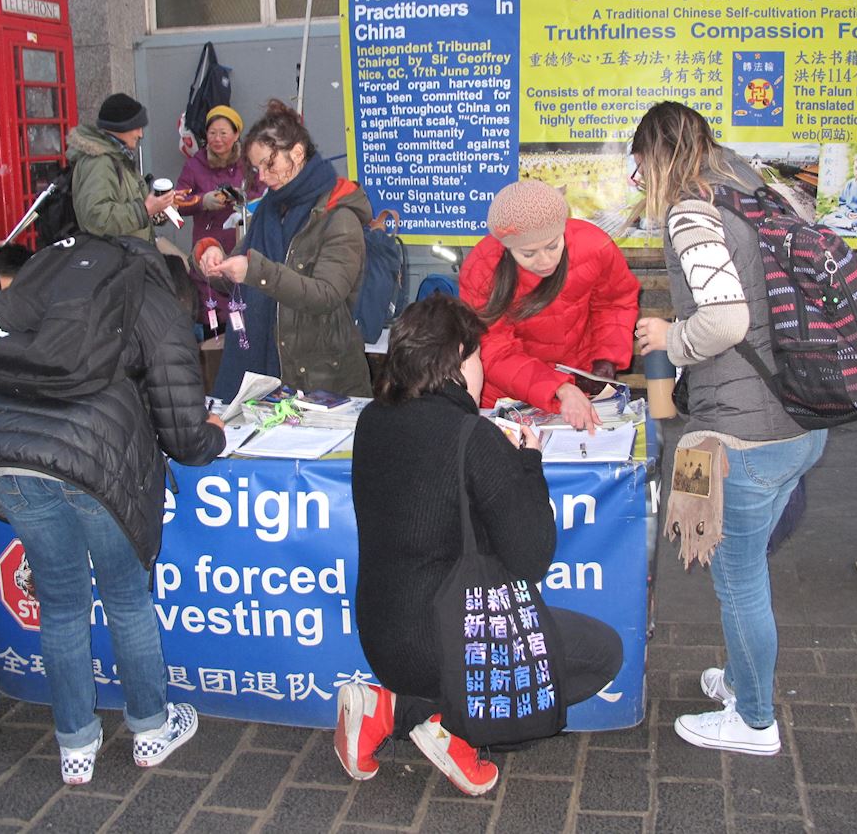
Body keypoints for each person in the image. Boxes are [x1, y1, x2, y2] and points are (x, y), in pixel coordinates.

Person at [337, 293, 622, 796]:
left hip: (380, 635)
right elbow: (531, 558)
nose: (483, 369)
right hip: (447, 640)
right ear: (458, 360)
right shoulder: (473, 436)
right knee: (601, 654)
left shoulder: (372, 421)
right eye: (478, 358)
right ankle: (448, 727)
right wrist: (527, 466)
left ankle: (388, 709)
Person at [0, 237, 227, 785]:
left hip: (8, 454)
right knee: (127, 598)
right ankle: (152, 733)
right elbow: (183, 433)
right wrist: (213, 439)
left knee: (61, 604)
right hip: (95, 466)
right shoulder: (151, 297)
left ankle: (76, 748)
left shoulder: (48, 275)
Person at [630, 101, 827, 757]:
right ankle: (745, 682)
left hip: (744, 437)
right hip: (798, 417)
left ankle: (755, 722)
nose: (643, 188)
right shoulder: (748, 186)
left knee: (740, 583)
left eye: (640, 172)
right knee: (744, 575)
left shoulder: (692, 212)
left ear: (657, 159)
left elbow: (723, 321)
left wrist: (670, 337)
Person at [196, 99, 372, 401]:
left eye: (269, 164)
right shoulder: (270, 209)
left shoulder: (339, 216)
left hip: (322, 382)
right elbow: (240, 273)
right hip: (271, 379)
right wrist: (212, 259)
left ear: (298, 153)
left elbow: (326, 295)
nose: (262, 177)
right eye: (256, 168)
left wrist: (256, 271)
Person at [458, 180, 639, 432]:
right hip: (507, 393)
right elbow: (494, 350)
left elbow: (615, 301)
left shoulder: (594, 246)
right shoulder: (482, 269)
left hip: (577, 381)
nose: (545, 260)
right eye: (528, 254)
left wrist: (606, 355)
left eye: (553, 246)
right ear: (507, 248)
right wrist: (557, 387)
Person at [175, 104, 261, 319]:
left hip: (243, 247)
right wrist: (202, 201)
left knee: (248, 311)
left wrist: (243, 199)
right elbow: (177, 201)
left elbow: (264, 193)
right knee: (215, 314)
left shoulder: (248, 163)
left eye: (223, 133)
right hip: (208, 251)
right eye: (212, 133)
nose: (217, 139)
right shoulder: (195, 165)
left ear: (236, 134)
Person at [69, 92, 177, 241]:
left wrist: (160, 207)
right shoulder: (99, 162)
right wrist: (145, 209)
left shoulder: (120, 158)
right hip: (117, 258)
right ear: (121, 127)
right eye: (137, 127)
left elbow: (134, 210)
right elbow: (96, 219)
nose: (141, 134)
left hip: (131, 255)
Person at [819, 150, 857, 237]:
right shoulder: (849, 184)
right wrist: (848, 213)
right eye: (856, 168)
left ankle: (854, 228)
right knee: (826, 220)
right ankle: (851, 225)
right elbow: (842, 203)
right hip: (848, 217)